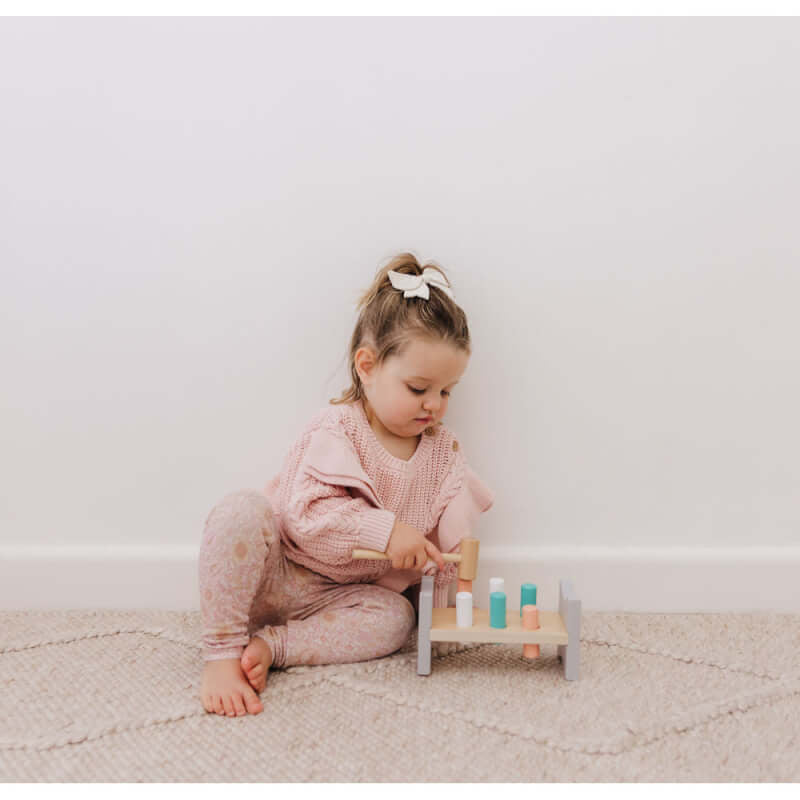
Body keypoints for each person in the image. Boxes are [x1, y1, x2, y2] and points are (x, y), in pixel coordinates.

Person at [198, 252, 495, 717]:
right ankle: (221, 651)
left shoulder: (442, 453)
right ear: (367, 366)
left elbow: (449, 544)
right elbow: (306, 517)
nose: (434, 404)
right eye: (418, 388)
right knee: (240, 510)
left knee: (396, 620)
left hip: (340, 598)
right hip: (276, 570)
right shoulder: (336, 429)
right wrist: (385, 530)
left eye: (446, 390)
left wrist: (445, 618)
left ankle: (275, 646)